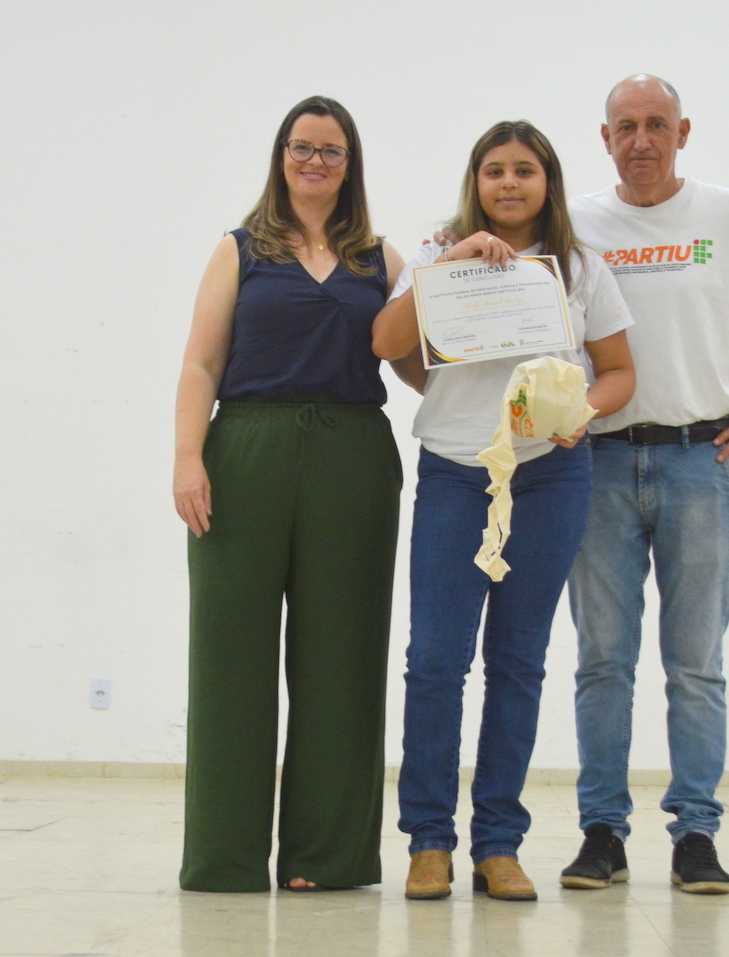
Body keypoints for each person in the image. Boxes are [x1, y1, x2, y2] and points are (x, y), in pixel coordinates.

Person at [559, 75, 729, 894]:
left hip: (699, 464)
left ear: (683, 132)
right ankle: (602, 831)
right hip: (600, 463)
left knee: (696, 664)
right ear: (604, 138)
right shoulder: (575, 225)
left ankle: (696, 835)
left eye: (657, 124)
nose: (641, 140)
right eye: (626, 127)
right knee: (603, 661)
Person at [373, 120, 635, 902]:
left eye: (525, 169)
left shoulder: (580, 266)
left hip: (551, 476)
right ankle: (428, 841)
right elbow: (386, 342)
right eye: (495, 170)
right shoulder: (436, 252)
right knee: (435, 660)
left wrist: (581, 410)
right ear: (476, 181)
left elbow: (619, 371)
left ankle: (498, 844)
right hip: (456, 473)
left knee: (517, 662)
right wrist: (448, 266)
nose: (510, 183)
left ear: (548, 181)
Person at [173, 95, 414, 893]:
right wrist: (187, 456)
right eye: (302, 147)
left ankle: (325, 854)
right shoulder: (240, 249)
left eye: (331, 150)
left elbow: (418, 365)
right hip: (246, 451)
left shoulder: (380, 259)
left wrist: (464, 287)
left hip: (353, 456)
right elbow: (202, 362)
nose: (315, 161)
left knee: (343, 654)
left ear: (350, 165)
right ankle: (226, 854)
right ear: (282, 157)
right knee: (229, 654)